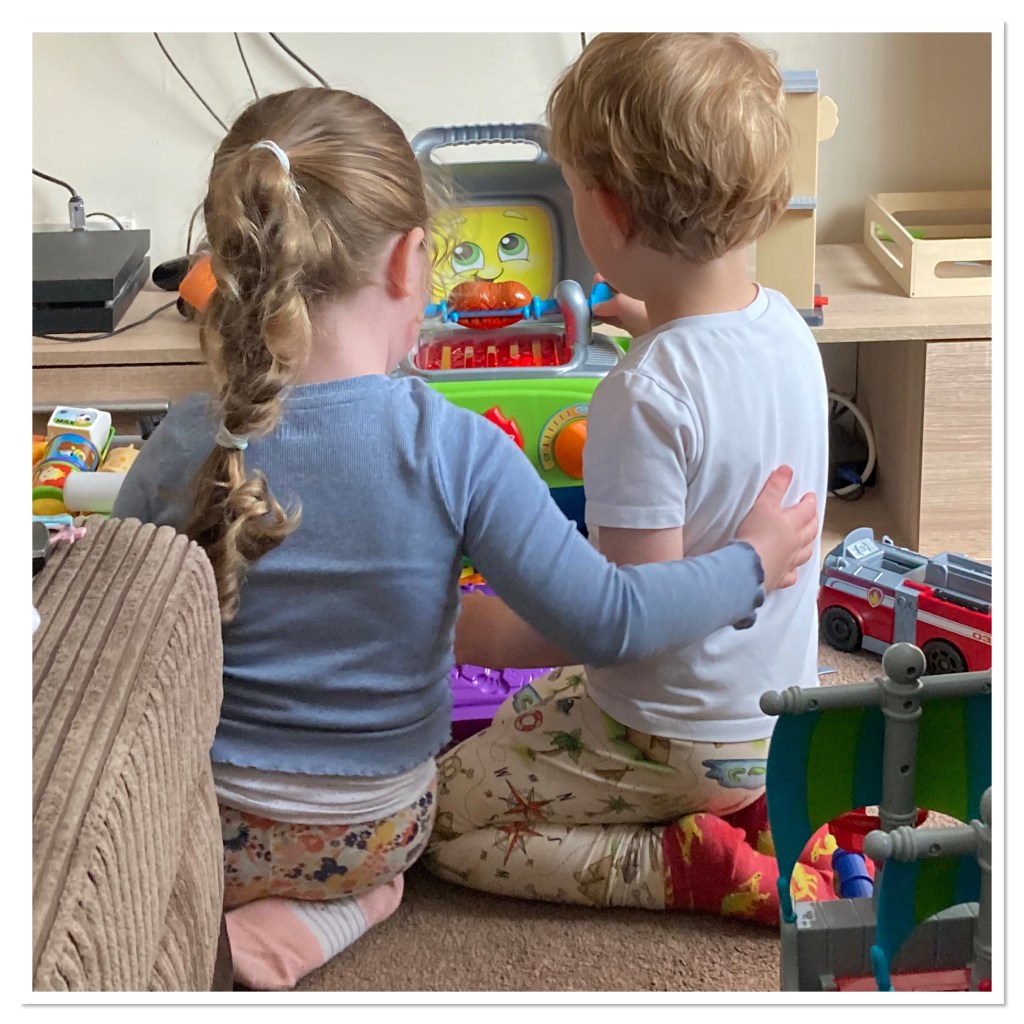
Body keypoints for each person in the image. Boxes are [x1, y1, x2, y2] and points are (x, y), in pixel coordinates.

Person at [112, 86, 817, 989]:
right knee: (440, 833)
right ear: (412, 262)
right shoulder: (457, 447)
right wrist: (752, 562)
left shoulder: (183, 438)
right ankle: (347, 900)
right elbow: (612, 619)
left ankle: (295, 917)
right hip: (378, 831)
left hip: (211, 832)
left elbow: (123, 615)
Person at [425, 33, 835, 925]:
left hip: (676, 733)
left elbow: (624, 623)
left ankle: (680, 866)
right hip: (776, 718)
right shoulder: (788, 334)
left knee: (440, 818)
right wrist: (656, 319)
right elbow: (715, 378)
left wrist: (471, 629)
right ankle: (751, 805)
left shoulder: (641, 394)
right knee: (535, 715)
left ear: (606, 215)